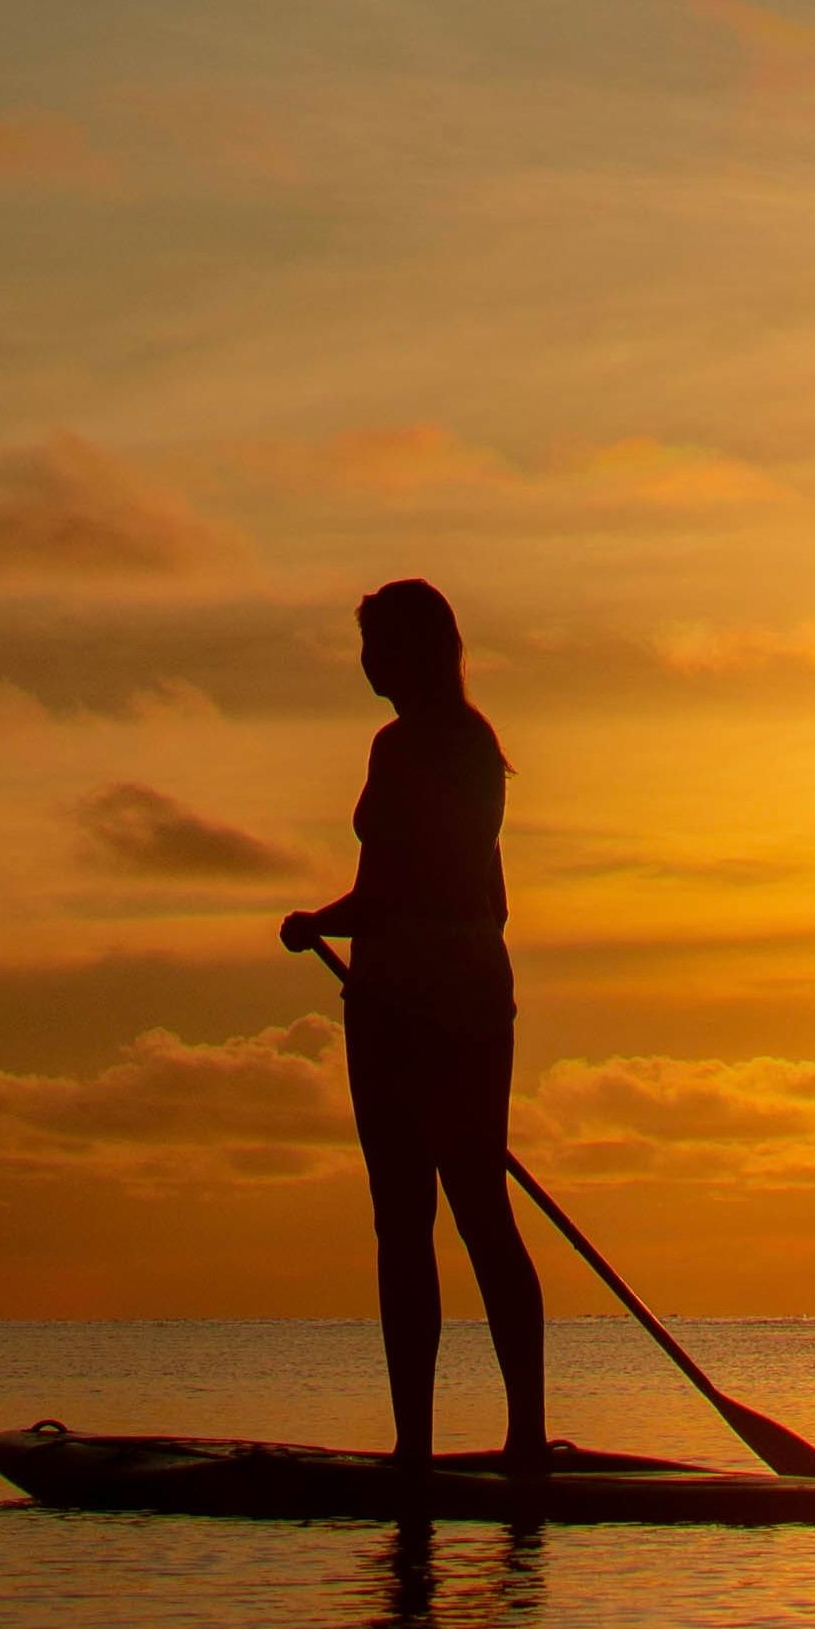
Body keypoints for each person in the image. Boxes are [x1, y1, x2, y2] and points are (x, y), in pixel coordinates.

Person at [283, 579, 548, 1477]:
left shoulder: (412, 746)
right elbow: (472, 896)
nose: (367, 661)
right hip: (451, 991)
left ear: (415, 652)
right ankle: (501, 1441)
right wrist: (339, 924)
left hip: (413, 1001)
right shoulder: (468, 743)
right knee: (465, 1211)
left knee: (421, 1217)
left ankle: (432, 1450)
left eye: (379, 644)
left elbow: (402, 889)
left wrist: (317, 923)